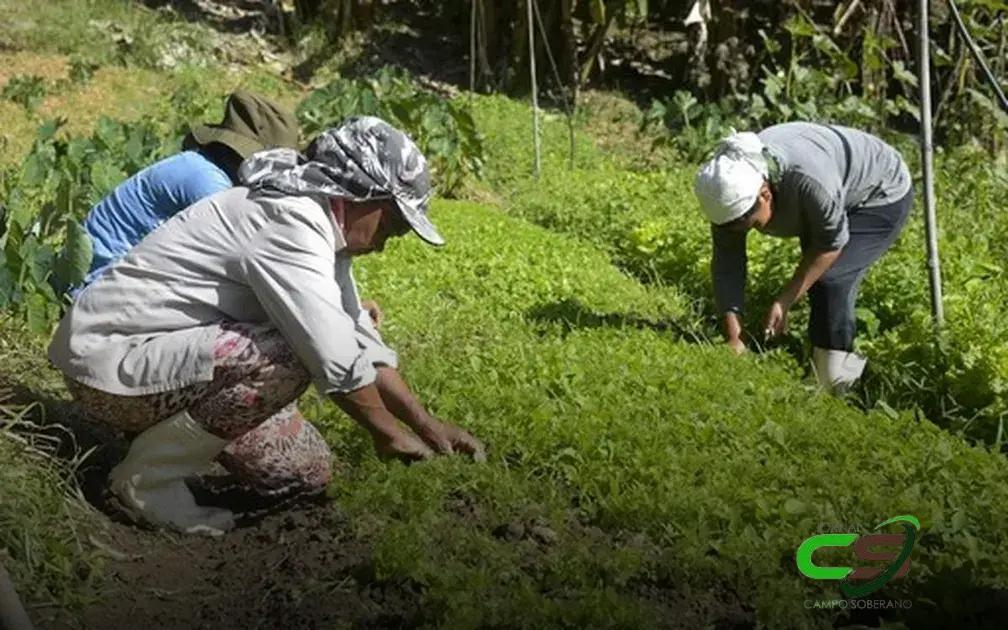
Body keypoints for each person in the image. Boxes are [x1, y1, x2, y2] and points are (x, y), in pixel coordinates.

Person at [48, 116, 485, 536]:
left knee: (304, 471)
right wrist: (387, 435)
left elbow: (358, 336)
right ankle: (144, 483)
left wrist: (427, 426)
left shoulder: (320, 225)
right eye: (389, 227)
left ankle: (157, 442)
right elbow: (332, 354)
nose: (384, 244)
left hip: (158, 362)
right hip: (109, 366)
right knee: (292, 352)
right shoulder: (290, 221)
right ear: (357, 194)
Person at [693, 122, 913, 392]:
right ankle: (826, 366)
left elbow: (830, 245)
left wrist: (784, 301)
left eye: (748, 223)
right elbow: (728, 264)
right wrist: (734, 338)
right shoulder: (725, 191)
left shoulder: (808, 182)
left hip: (880, 191)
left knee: (831, 278)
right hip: (832, 186)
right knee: (817, 278)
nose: (744, 230)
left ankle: (835, 382)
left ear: (765, 194)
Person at [74, 90, 300, 296]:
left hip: (109, 273)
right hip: (98, 284)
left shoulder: (204, 166)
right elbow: (232, 256)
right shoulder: (207, 181)